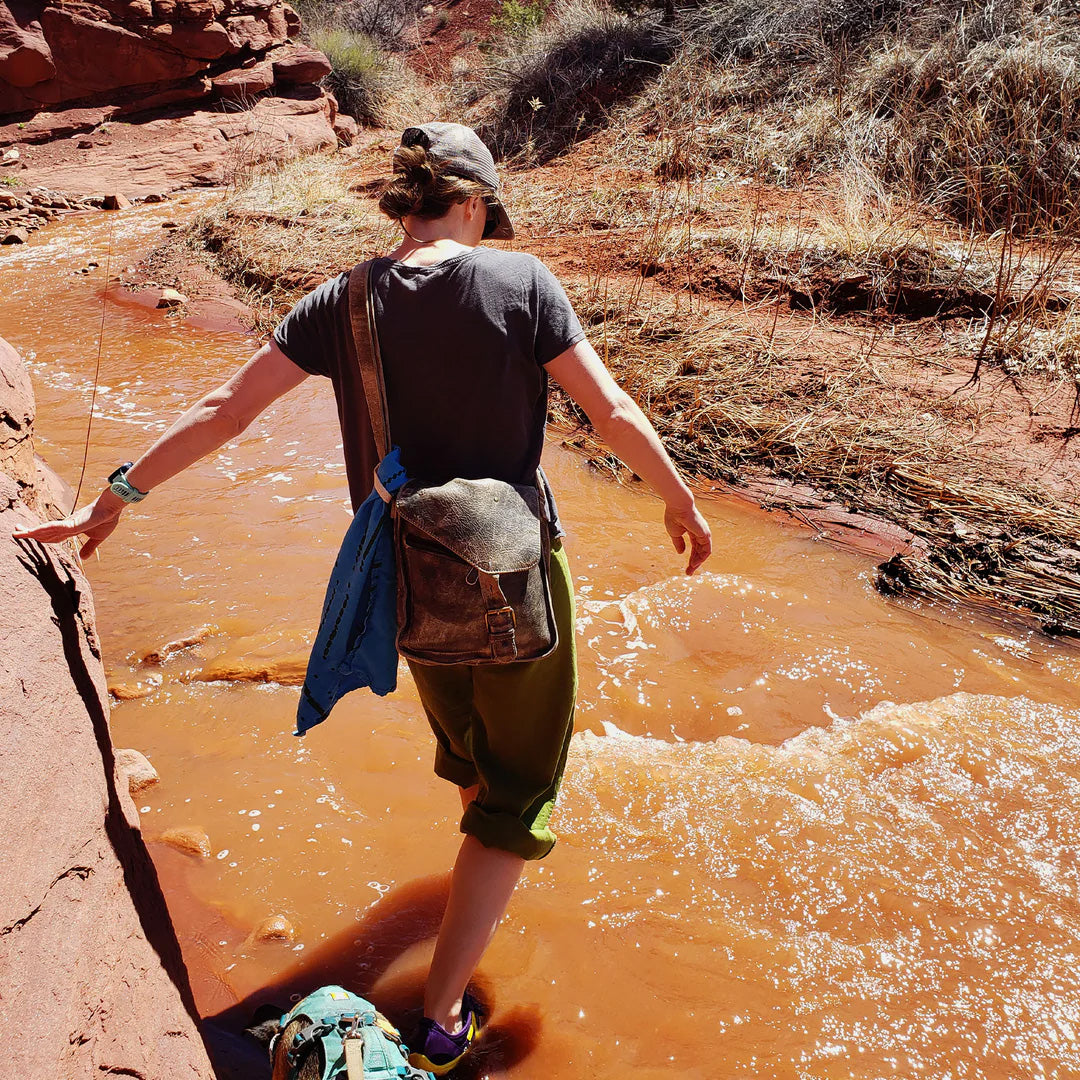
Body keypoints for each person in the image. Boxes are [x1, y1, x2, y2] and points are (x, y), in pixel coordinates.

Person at [14, 122, 712, 1074]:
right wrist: (679, 498)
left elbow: (226, 409)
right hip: (513, 583)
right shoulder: (524, 283)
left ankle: (467, 892)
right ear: (475, 203)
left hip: (405, 587)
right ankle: (437, 1017)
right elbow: (613, 411)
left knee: (470, 760)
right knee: (519, 799)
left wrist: (118, 496)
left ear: (407, 202)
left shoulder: (340, 302)